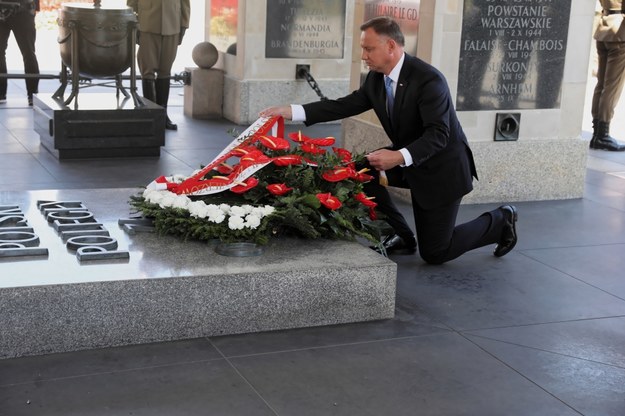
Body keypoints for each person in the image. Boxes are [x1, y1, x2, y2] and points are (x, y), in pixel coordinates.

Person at [260, 16, 518, 265]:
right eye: (363, 49)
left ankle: (501, 220)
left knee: (437, 252)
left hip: (441, 168)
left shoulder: (429, 80)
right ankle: (403, 237)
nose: (364, 56)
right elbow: (345, 105)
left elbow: (439, 134)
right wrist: (292, 111)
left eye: (369, 49)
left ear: (391, 46)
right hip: (410, 160)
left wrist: (397, 156)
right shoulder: (376, 78)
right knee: (360, 170)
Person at [127, 0, 190, 130]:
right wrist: (135, 23)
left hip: (172, 23)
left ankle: (163, 115)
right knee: (147, 69)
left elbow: (185, 2)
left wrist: (184, 24)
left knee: (165, 70)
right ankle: (150, 115)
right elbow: (132, 3)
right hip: (148, 24)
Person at [590, 0, 625, 151]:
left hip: (604, 26)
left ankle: (597, 134)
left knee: (602, 84)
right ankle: (602, 135)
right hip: (619, 33)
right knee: (611, 87)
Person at [0, 0, 40, 106]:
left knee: (28, 52)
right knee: (28, 53)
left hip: (23, 9)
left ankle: (32, 94)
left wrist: (33, 8)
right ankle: (0, 94)